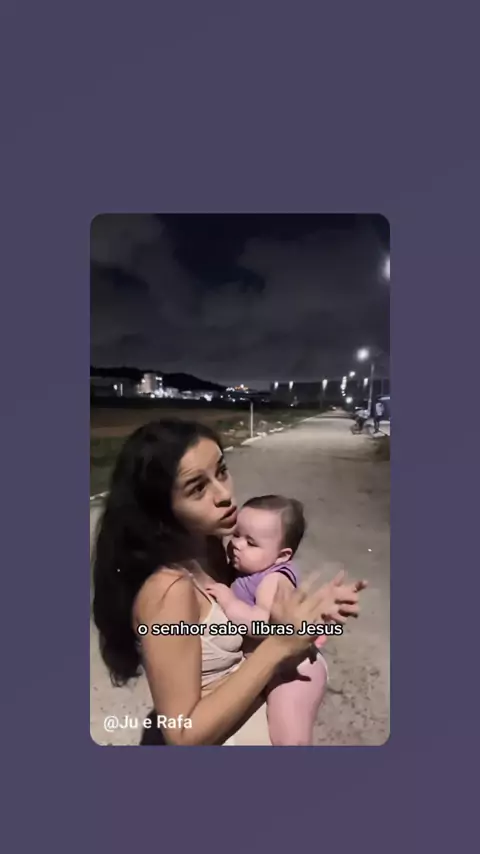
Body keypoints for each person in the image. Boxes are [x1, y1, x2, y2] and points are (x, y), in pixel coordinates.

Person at [92, 419, 366, 746]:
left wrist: (311, 609)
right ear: (160, 510)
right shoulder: (169, 591)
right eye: (197, 488)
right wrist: (280, 646)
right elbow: (181, 734)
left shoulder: (210, 545)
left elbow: (256, 603)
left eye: (221, 471)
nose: (224, 495)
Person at [205, 495, 345, 745]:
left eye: (251, 542)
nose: (237, 545)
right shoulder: (248, 570)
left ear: (282, 556)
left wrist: (229, 601)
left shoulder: (273, 581)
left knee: (289, 738)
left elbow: (260, 625)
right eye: (236, 534)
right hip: (270, 664)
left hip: (293, 669)